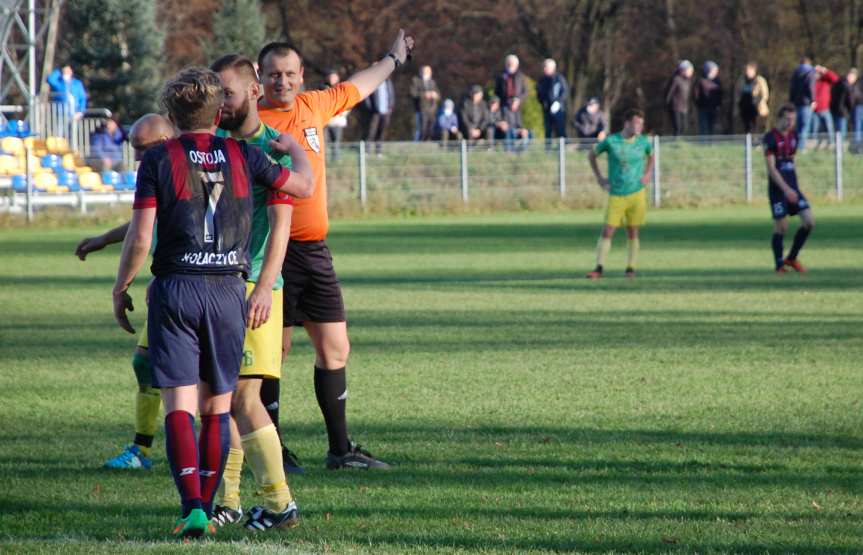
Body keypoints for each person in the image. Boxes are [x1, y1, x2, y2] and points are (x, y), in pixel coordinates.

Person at [111, 67, 301, 538]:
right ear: (219, 112)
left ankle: (192, 507)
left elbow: (140, 238)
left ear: (171, 116)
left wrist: (121, 287)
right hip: (227, 290)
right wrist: (294, 150)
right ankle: (213, 504)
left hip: (176, 288)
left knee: (179, 403)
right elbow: (305, 188)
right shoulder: (243, 154)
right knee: (218, 406)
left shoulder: (157, 161)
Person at [256, 29, 414, 471]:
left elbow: (361, 84)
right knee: (272, 354)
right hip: (271, 253)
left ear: (301, 76)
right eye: (273, 75)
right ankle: (274, 451)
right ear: (259, 77)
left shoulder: (314, 106)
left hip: (314, 252)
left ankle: (340, 451)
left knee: (336, 349)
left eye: (289, 74)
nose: (282, 82)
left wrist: (393, 58)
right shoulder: (249, 122)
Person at [209, 53, 315, 531]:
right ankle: (228, 501)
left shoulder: (271, 149)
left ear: (253, 92)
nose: (219, 103)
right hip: (215, 286)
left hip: (253, 287)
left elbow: (281, 227)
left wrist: (266, 288)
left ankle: (280, 505)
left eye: (226, 93)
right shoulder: (211, 145)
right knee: (221, 396)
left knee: (244, 400)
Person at [77, 114, 177, 472]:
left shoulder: (179, 170)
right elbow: (142, 223)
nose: (137, 157)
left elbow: (142, 235)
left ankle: (223, 454)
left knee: (210, 379)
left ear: (167, 140)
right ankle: (142, 450)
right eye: (134, 148)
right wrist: (103, 239)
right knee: (146, 362)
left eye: (144, 148)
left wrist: (121, 286)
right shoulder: (160, 168)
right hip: (172, 286)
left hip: (194, 285)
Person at [586, 108, 654, 279]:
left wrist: (647, 174)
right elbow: (592, 155)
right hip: (617, 193)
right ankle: (598, 268)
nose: (639, 127)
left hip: (637, 193)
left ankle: (630, 268)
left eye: (641, 124)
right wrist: (600, 178)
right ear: (627, 123)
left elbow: (651, 157)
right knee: (608, 230)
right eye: (636, 123)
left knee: (633, 231)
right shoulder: (611, 141)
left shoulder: (643, 142)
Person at [763, 103, 814, 273]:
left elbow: (791, 161)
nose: (790, 122)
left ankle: (791, 258)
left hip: (793, 189)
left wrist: (794, 188)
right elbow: (772, 169)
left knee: (808, 222)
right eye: (787, 119)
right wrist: (786, 190)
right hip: (778, 191)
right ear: (779, 118)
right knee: (782, 226)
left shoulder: (794, 136)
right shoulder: (770, 138)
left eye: (793, 119)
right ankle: (779, 265)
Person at [536, 58, 568, 145]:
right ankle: (548, 150)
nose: (545, 69)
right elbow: (539, 94)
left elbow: (564, 92)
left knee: (560, 129)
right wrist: (545, 103)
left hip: (558, 109)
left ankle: (562, 149)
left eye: (547, 67)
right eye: (544, 67)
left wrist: (558, 102)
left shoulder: (559, 78)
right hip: (546, 109)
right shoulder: (541, 80)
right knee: (548, 130)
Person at [789, 57, 817, 150]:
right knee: (805, 126)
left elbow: (791, 89)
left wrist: (791, 101)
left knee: (797, 126)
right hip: (806, 103)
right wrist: (813, 100)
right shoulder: (810, 73)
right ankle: (801, 147)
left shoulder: (795, 73)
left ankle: (794, 145)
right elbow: (810, 87)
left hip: (796, 103)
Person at [363, 76, 395, 156]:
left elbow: (391, 95)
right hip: (374, 112)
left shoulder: (388, 82)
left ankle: (378, 151)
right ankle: (367, 151)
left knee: (382, 131)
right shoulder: (372, 82)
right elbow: (366, 97)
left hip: (386, 111)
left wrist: (390, 107)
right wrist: (370, 108)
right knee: (371, 131)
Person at [735, 62, 769, 134]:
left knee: (757, 125)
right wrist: (738, 102)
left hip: (757, 108)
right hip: (744, 107)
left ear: (754, 70)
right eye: (746, 70)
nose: (747, 72)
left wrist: (760, 103)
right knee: (747, 126)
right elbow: (737, 93)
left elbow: (765, 94)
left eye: (749, 70)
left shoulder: (760, 80)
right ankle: (748, 141)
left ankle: (756, 141)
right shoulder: (741, 80)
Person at [322, 70, 349, 161]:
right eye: (330, 77)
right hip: (325, 121)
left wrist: (342, 112)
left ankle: (336, 159)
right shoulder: (322, 89)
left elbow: (347, 104)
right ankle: (323, 159)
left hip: (337, 120)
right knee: (323, 141)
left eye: (333, 77)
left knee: (336, 141)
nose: (332, 79)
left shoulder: (341, 89)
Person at [410, 65, 440, 141]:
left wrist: (435, 95)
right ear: (421, 72)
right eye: (425, 71)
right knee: (421, 130)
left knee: (430, 130)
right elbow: (413, 93)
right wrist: (425, 94)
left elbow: (439, 95)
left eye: (429, 71)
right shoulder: (415, 80)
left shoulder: (432, 82)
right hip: (420, 110)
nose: (427, 73)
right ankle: (418, 146)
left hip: (432, 110)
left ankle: (426, 146)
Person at [811, 65, 838, 148]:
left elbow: (835, 79)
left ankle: (831, 143)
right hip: (814, 110)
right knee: (814, 129)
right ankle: (813, 145)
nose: (817, 75)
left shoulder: (825, 80)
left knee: (829, 127)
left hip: (825, 109)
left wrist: (824, 70)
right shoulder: (811, 82)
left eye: (818, 73)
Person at [693, 60, 722, 136]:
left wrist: (718, 104)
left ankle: (711, 143)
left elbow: (720, 94)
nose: (716, 72)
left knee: (712, 126)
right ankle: (703, 144)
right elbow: (696, 95)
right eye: (714, 70)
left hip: (714, 108)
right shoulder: (700, 81)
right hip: (703, 108)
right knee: (703, 126)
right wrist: (699, 104)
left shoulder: (717, 81)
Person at [665, 60, 693, 136]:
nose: (691, 72)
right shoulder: (676, 79)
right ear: (683, 70)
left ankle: (681, 143)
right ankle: (676, 143)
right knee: (677, 127)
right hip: (675, 107)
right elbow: (669, 93)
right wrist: (667, 105)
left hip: (684, 108)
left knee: (684, 127)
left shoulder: (688, 81)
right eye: (689, 70)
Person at [830, 68, 857, 143]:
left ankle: (837, 147)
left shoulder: (837, 83)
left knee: (837, 130)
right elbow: (850, 100)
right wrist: (851, 108)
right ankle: (840, 148)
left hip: (834, 109)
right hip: (843, 111)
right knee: (841, 131)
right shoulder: (846, 86)